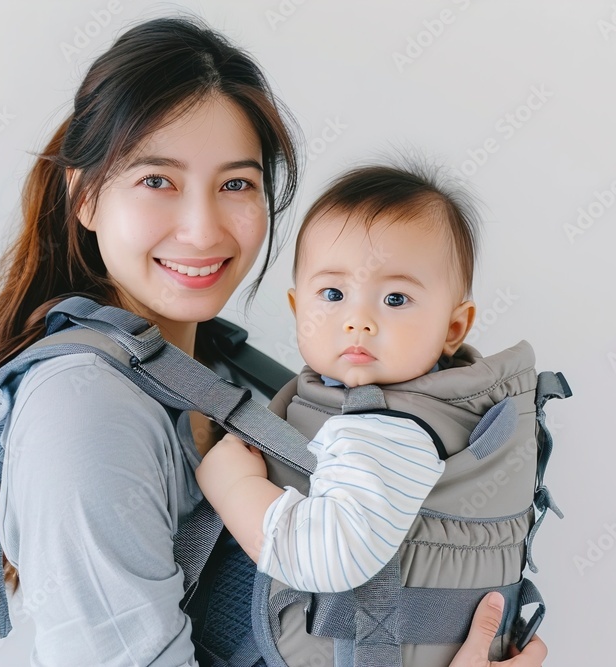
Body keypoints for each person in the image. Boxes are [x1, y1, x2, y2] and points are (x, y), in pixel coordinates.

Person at [0, 16, 547, 667]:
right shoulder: (82, 409)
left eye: (236, 184)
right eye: (157, 180)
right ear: (84, 197)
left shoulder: (225, 371)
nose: (202, 231)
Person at [196, 164, 480, 593]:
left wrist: (233, 485)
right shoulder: (342, 398)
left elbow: (327, 560)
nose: (358, 321)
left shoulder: (393, 430)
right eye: (333, 295)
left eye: (395, 298)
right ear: (298, 309)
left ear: (452, 330)